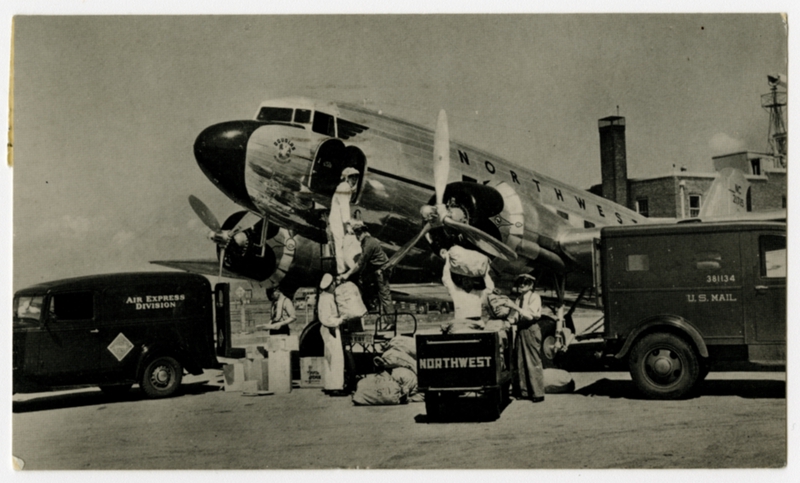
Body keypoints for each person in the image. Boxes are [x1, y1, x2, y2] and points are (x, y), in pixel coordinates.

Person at [338, 221, 395, 327]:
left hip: (381, 271)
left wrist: (347, 274)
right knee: (368, 285)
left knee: (385, 296)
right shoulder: (367, 241)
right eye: (356, 234)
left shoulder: (369, 243)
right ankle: (371, 304)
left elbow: (360, 263)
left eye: (358, 234)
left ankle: (391, 322)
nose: (357, 236)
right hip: (377, 270)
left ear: (362, 232)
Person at [502, 273, 545, 403]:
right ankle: (524, 391)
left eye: (525, 282)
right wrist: (508, 320)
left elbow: (530, 316)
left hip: (531, 329)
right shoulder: (519, 299)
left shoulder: (534, 297)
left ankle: (537, 393)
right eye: (520, 282)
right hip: (521, 330)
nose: (521, 285)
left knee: (532, 361)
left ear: (531, 285)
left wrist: (515, 308)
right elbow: (516, 317)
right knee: (520, 361)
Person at [440, 248, 494, 333]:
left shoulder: (479, 294)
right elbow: (446, 279)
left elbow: (490, 288)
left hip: (476, 325)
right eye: (464, 279)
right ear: (461, 281)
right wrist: (447, 260)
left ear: (473, 281)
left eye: (468, 279)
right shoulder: (456, 292)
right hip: (460, 325)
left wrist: (486, 272)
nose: (466, 281)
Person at [317, 273, 348, 396]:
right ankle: (336, 387)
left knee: (330, 358)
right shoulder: (326, 299)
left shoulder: (326, 297)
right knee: (336, 358)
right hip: (331, 328)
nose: (334, 285)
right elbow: (326, 319)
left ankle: (330, 385)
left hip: (330, 328)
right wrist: (340, 320)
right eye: (333, 284)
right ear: (329, 286)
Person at [329, 167, 360, 275]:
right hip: (338, 220)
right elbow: (344, 207)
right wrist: (348, 224)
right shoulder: (345, 187)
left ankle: (343, 269)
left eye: (356, 177)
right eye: (352, 177)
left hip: (337, 219)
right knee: (341, 245)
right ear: (347, 178)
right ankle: (342, 270)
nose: (354, 180)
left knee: (341, 245)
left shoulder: (345, 187)